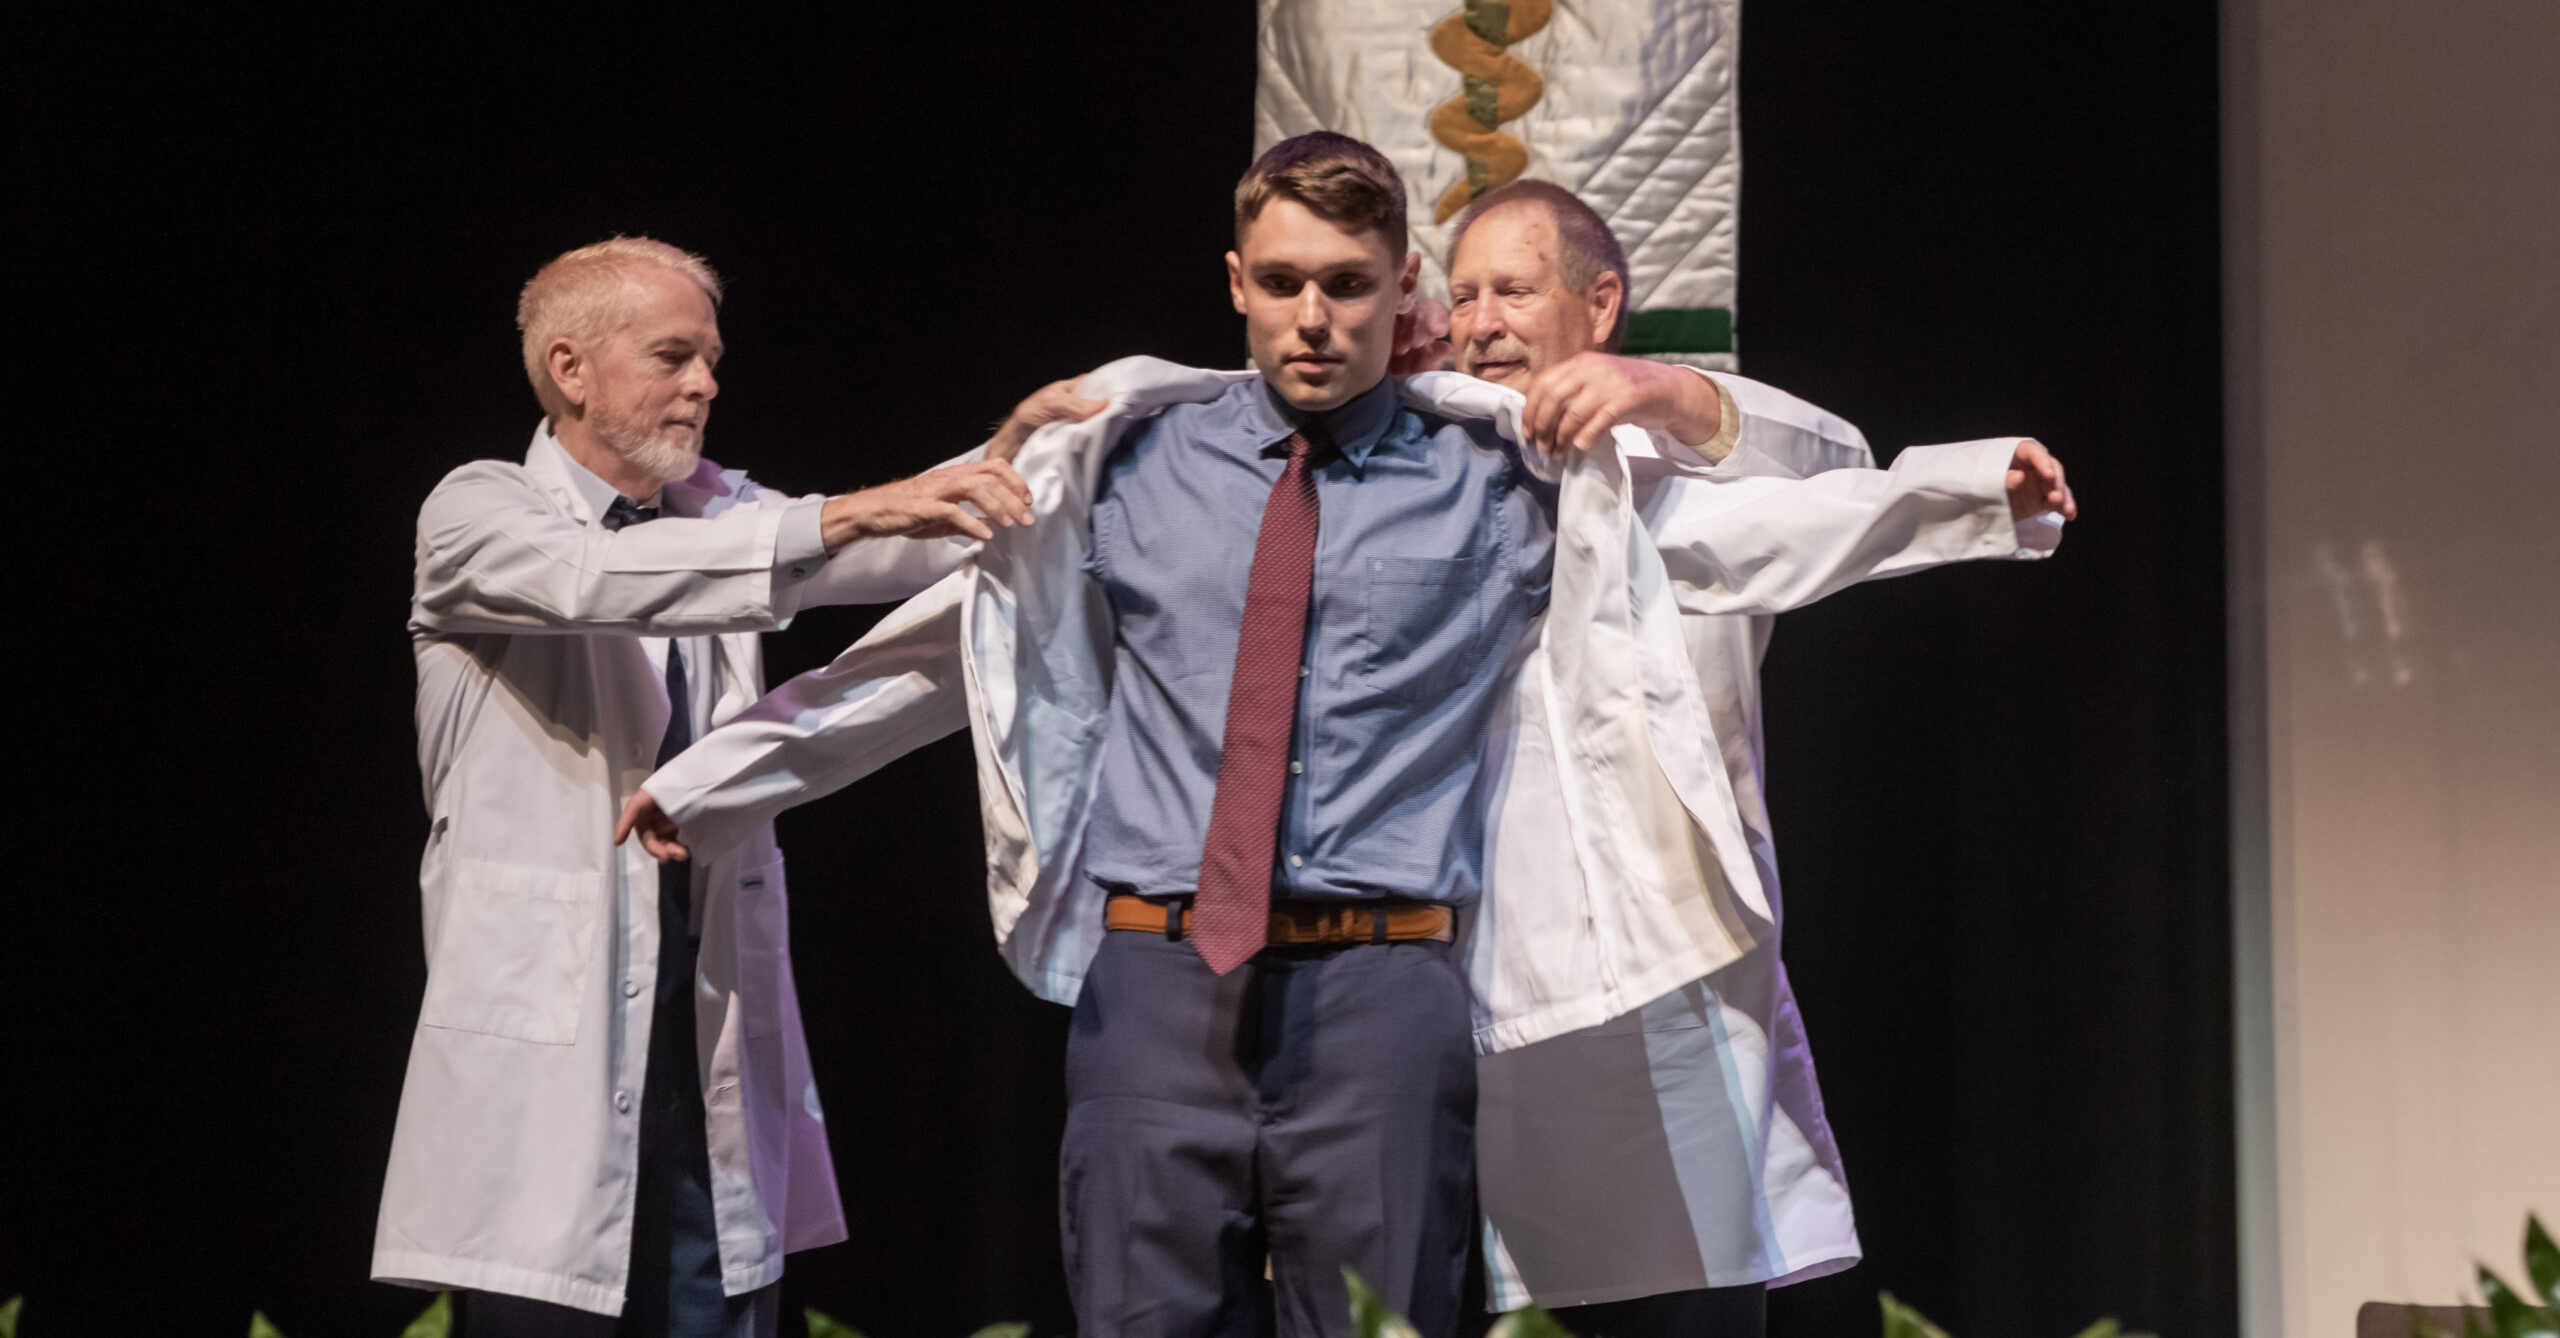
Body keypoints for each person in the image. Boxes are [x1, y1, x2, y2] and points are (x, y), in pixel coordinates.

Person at [616, 134, 2073, 1338]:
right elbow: (960, 644)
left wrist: (1967, 491)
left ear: (1399, 295)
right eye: (1291, 283)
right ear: (1238, 284)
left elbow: (1759, 517)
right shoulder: (1137, 452)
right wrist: (731, 770)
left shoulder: (1509, 472)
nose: (1318, 316)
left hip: (1410, 979)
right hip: (1166, 962)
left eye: (1356, 287)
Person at [371, 236, 1093, 1338]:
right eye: (673, 357)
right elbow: (599, 581)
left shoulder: (716, 511)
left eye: (709, 359)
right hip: (544, 1072)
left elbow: (899, 549)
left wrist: (1026, 458)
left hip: (697, 1033)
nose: (705, 384)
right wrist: (860, 511)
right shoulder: (477, 512)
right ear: (570, 369)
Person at [1433, 180, 2070, 1338]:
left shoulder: (1674, 475)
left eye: (1513, 290)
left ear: (1602, 304)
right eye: (1463, 293)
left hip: (1678, 969)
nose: (1479, 320)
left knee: (1689, 1298)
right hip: (1485, 973)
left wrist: (1668, 392)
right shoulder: (1425, 476)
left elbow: (1828, 486)